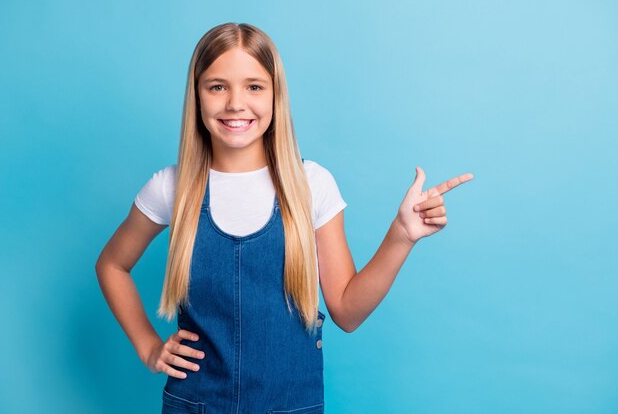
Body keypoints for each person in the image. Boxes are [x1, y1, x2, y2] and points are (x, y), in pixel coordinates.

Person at [95, 22, 473, 414]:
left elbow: (346, 310)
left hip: (292, 405)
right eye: (217, 86)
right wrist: (148, 346)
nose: (235, 103)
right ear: (197, 96)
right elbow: (112, 265)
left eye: (254, 87)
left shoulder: (311, 184)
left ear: (277, 96)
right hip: (196, 404)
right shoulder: (170, 187)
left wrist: (401, 236)